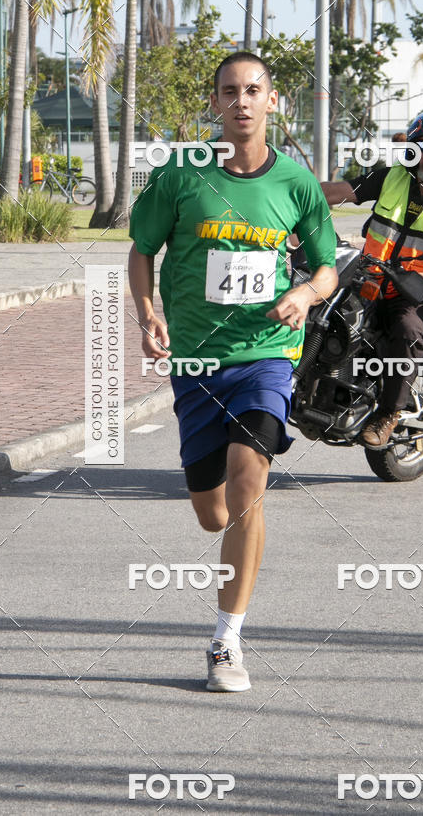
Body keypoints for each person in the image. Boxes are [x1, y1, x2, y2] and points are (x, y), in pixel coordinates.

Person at [128, 52, 338, 692]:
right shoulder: (181, 176)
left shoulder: (297, 184)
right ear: (215, 104)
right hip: (196, 364)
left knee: (250, 484)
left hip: (267, 355)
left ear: (273, 102)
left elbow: (326, 266)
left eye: (254, 90)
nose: (241, 101)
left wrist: (304, 295)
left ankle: (226, 642)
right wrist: (147, 313)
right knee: (213, 516)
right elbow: (141, 251)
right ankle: (224, 543)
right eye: (229, 92)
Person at [321, 109, 423, 447]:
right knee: (321, 308)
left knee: (407, 331)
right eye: (421, 148)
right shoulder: (391, 177)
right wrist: (295, 192)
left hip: (414, 297)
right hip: (368, 282)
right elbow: (340, 192)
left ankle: (389, 413)